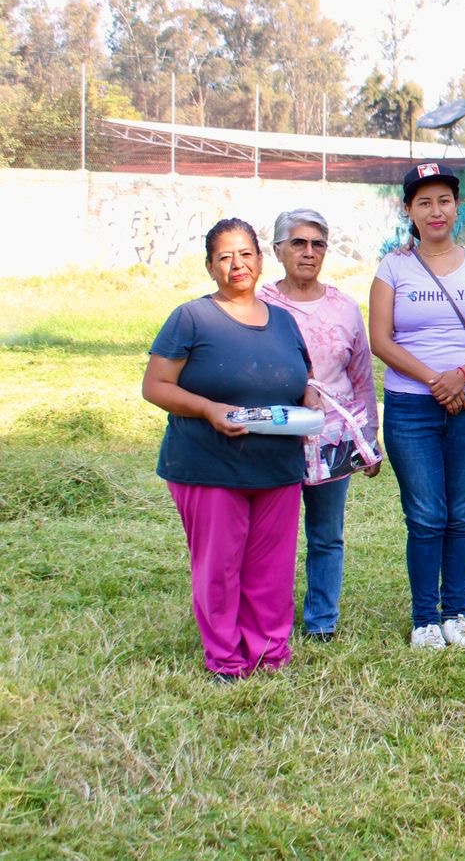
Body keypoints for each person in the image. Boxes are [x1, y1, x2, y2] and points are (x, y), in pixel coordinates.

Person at [142, 218, 315, 680]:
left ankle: (270, 652)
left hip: (277, 466)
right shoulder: (191, 317)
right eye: (225, 256)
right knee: (219, 569)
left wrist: (308, 396)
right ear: (210, 267)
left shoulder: (282, 319)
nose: (237, 264)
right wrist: (208, 409)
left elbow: (301, 376)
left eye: (245, 254)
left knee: (271, 571)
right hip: (208, 464)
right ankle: (226, 659)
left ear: (260, 260)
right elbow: (155, 386)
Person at [369, 163, 465, 650]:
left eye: (444, 200)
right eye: (424, 202)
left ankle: (457, 613)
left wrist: (462, 377)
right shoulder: (393, 267)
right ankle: (425, 618)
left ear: (456, 205)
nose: (435, 211)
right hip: (411, 406)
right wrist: (435, 380)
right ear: (408, 209)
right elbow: (380, 339)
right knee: (426, 513)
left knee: (461, 513)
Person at [261, 208, 381, 643]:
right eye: (298, 243)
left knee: (327, 533)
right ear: (277, 250)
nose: (308, 253)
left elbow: (362, 377)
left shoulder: (344, 308)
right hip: (273, 436)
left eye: (317, 244)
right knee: (272, 535)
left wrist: (368, 441)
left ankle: (321, 621)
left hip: (332, 438)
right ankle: (269, 618)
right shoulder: (259, 305)